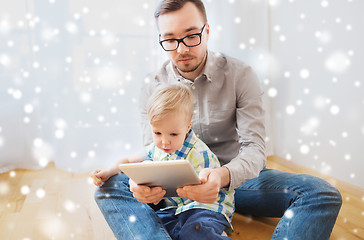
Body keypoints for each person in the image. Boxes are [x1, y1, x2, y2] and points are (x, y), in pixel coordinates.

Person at [95, 0, 342, 239]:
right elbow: (153, 151)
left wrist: (222, 176)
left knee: (321, 194)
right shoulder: (153, 84)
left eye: (191, 35)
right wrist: (144, 188)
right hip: (175, 189)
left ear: (207, 31)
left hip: (236, 182)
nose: (181, 49)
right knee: (109, 186)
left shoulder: (241, 75)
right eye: (170, 39)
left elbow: (255, 149)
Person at [91, 83, 234, 239]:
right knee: (158, 224)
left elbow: (209, 191)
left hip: (205, 208)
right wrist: (107, 171)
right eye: (158, 133)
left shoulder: (199, 152)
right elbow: (128, 160)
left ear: (187, 127)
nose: (165, 142)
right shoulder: (156, 148)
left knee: (195, 230)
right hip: (176, 209)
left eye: (173, 134)